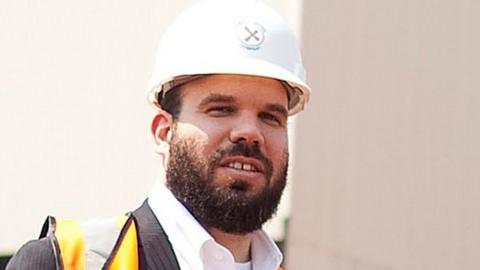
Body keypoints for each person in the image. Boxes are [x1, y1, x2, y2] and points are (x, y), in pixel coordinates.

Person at [7, 0, 311, 269]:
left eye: (270, 117)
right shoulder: (64, 263)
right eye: (221, 109)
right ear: (163, 132)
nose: (250, 132)